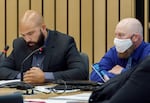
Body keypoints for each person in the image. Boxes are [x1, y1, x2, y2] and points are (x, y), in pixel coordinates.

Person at [0, 10, 88, 84]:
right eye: (23, 35)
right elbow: (2, 69)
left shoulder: (64, 43)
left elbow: (80, 72)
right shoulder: (19, 44)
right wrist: (25, 76)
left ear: (43, 28)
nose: (27, 39)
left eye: (30, 33)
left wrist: (45, 77)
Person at [90, 18, 150, 82]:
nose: (116, 40)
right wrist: (122, 77)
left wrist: (123, 72)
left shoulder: (147, 53)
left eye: (121, 35)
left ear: (135, 38)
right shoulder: (114, 51)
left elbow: (144, 80)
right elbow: (95, 75)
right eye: (116, 35)